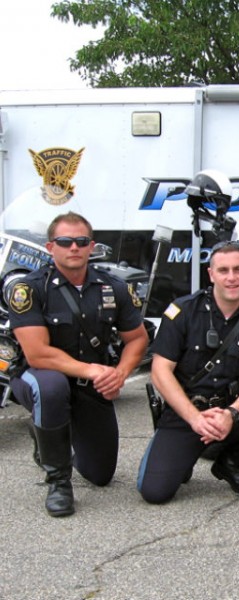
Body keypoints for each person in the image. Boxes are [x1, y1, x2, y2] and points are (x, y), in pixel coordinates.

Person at [9, 212, 149, 517]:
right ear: (50, 247)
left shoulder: (113, 289)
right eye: (65, 241)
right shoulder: (29, 289)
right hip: (38, 378)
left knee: (100, 475)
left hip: (91, 385)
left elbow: (137, 339)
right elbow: (38, 354)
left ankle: (49, 439)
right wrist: (93, 370)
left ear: (91, 246)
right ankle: (58, 481)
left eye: (81, 241)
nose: (73, 247)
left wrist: (119, 375)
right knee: (52, 387)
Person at [137, 240, 239, 504]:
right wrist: (195, 419)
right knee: (154, 492)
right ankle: (188, 450)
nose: (231, 277)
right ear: (211, 274)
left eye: (238, 269)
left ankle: (229, 462)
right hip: (188, 412)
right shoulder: (183, 311)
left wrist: (231, 415)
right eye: (223, 271)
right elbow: (160, 372)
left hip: (236, 412)